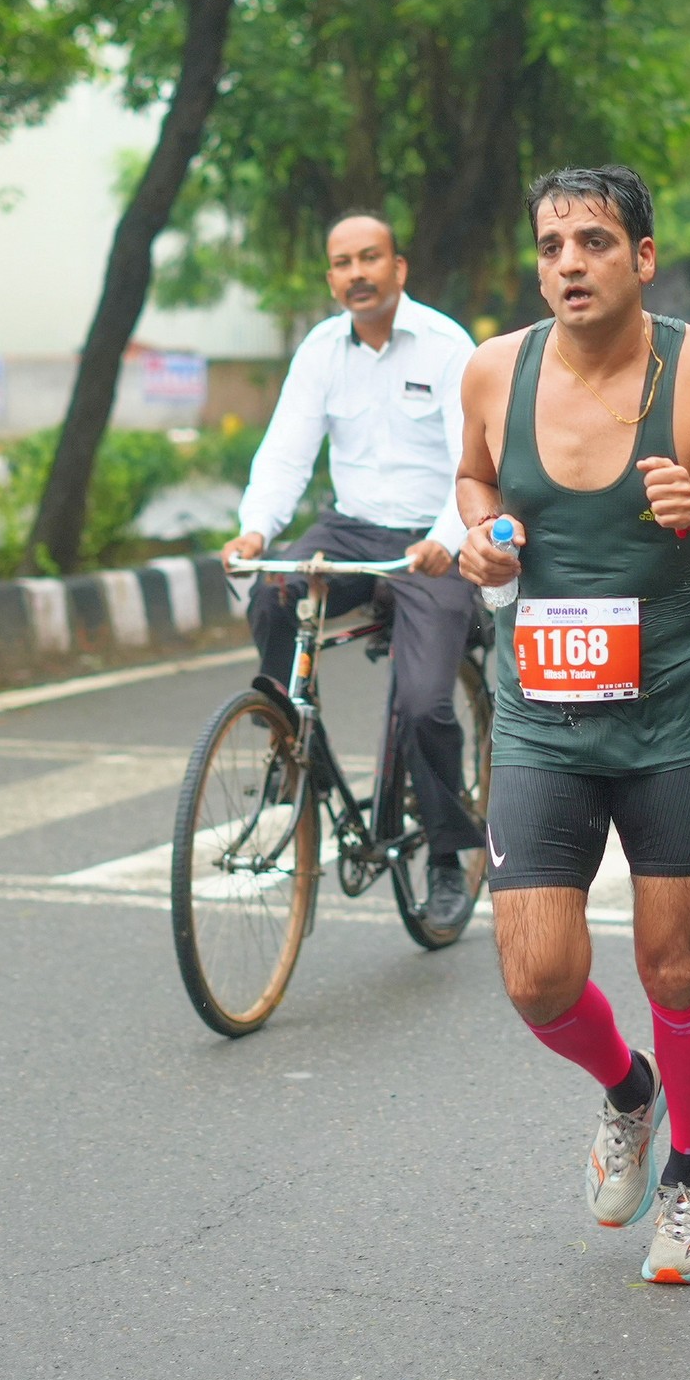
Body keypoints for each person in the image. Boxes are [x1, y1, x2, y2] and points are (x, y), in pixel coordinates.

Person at [454, 165, 690, 1285]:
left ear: (643, 258)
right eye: (552, 246)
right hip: (542, 717)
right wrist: (483, 538)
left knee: (674, 967)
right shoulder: (494, 370)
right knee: (537, 975)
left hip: (672, 721)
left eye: (596, 242)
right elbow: (471, 479)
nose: (571, 263)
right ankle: (628, 1091)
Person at [224, 211, 485, 934]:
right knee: (274, 591)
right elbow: (286, 452)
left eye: (370, 258)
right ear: (331, 277)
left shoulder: (447, 347)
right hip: (350, 528)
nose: (357, 274)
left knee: (424, 704)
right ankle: (288, 740)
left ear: (398, 268)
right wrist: (255, 529)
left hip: (432, 538)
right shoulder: (321, 350)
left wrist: (445, 539)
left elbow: (474, 462)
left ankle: (447, 856)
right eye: (342, 263)